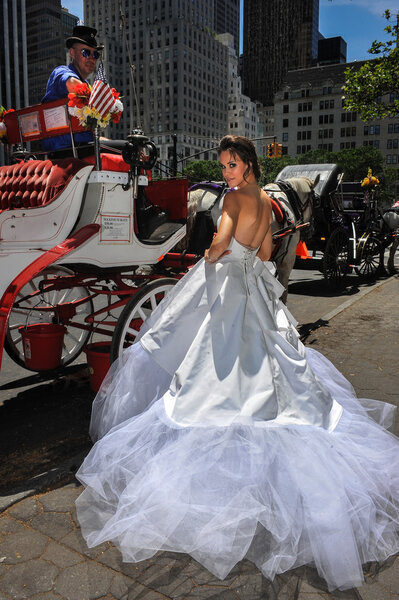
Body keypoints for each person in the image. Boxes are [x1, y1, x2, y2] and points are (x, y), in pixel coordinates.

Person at [76, 135, 399, 592]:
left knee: (208, 361)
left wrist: (210, 254)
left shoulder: (231, 199)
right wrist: (244, 256)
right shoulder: (266, 203)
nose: (226, 171)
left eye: (232, 164)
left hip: (229, 284)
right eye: (224, 164)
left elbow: (221, 243)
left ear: (247, 165)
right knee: (272, 361)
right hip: (254, 287)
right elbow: (267, 253)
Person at [41, 26, 101, 157]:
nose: (91, 58)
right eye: (86, 52)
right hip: (65, 150)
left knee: (129, 146)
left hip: (82, 146)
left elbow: (90, 135)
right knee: (127, 148)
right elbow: (71, 83)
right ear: (72, 53)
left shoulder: (86, 84)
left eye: (95, 54)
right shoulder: (62, 72)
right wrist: (103, 101)